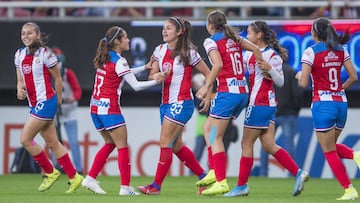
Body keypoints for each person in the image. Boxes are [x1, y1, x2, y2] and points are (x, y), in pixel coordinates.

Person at [224, 20, 309, 197]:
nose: (247, 36)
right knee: (269, 145)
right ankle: (298, 173)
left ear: (259, 35)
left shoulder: (272, 56)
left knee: (246, 144)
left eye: (249, 33)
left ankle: (241, 186)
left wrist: (270, 69)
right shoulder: (249, 54)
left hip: (259, 103)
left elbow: (280, 81)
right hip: (267, 105)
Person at [81, 26, 168, 195]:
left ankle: (90, 178)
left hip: (95, 107)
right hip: (109, 108)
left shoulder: (106, 58)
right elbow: (135, 85)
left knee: (110, 143)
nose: (128, 40)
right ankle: (125, 187)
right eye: (126, 38)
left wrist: (144, 68)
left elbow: (123, 73)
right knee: (122, 146)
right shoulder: (119, 61)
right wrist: (157, 81)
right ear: (118, 42)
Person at [137, 16, 211, 195]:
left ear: (179, 32)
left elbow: (208, 72)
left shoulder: (189, 52)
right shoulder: (159, 50)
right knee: (176, 146)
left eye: (169, 28)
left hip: (182, 103)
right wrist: (157, 77)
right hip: (165, 104)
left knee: (164, 141)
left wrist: (207, 93)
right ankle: (203, 177)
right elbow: (151, 75)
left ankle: (156, 186)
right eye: (163, 27)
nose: (164, 30)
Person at [194, 10, 263, 196]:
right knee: (209, 128)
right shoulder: (234, 37)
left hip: (228, 94)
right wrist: (262, 71)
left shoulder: (211, 41)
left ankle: (220, 180)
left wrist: (206, 86)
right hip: (242, 92)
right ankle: (214, 171)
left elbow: (217, 65)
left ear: (210, 24)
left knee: (214, 136)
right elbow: (256, 50)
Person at [14, 22, 84, 193]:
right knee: (53, 143)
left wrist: (58, 100)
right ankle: (75, 177)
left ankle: (50, 172)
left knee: (25, 139)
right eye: (23, 33)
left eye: (30, 33)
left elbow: (58, 79)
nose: (26, 36)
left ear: (37, 35)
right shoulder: (18, 55)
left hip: (47, 101)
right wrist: (19, 90)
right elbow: (20, 79)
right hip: (35, 104)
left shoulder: (46, 54)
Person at [297, 17, 359, 200]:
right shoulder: (341, 49)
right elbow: (354, 77)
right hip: (341, 103)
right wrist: (340, 89)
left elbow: (303, 82)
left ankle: (349, 189)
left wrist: (299, 75)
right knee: (330, 145)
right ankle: (355, 155)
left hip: (323, 104)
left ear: (315, 32)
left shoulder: (311, 52)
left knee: (328, 150)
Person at [259, 63, 303, 177]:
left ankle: (263, 173)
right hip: (288, 113)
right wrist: (295, 110)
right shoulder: (291, 72)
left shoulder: (268, 70)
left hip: (271, 111)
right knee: (289, 144)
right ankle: (293, 173)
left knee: (266, 144)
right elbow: (297, 93)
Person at [51, 47, 84, 174]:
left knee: (73, 142)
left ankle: (78, 168)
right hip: (55, 112)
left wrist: (72, 98)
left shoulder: (67, 73)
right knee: (54, 140)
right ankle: (56, 166)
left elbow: (77, 91)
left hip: (69, 112)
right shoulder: (47, 75)